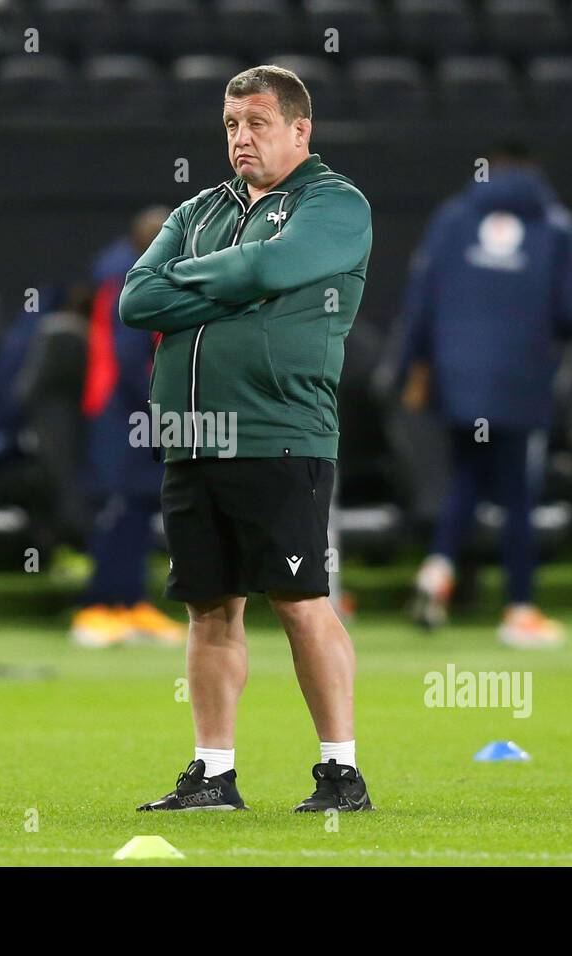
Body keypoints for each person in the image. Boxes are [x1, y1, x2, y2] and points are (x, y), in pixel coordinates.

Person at [119, 65, 374, 812]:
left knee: (298, 598)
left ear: (301, 129)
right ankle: (213, 773)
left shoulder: (335, 204)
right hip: (191, 434)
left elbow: (276, 262)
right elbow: (137, 297)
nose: (241, 138)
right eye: (231, 125)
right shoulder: (201, 207)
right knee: (208, 608)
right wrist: (236, 284)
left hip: (278, 430)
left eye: (257, 123)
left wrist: (195, 282)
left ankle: (340, 770)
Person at [395, 142, 572, 649]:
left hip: (457, 381)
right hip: (519, 381)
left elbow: (420, 300)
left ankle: (437, 573)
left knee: (465, 478)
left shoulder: (453, 217)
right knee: (519, 494)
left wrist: (408, 369)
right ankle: (520, 608)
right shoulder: (557, 224)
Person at [70, 206, 186, 648]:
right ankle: (96, 608)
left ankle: (131, 603)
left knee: (139, 508)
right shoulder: (125, 276)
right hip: (119, 411)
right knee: (119, 511)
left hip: (135, 411)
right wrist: (166, 398)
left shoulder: (134, 268)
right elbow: (129, 357)